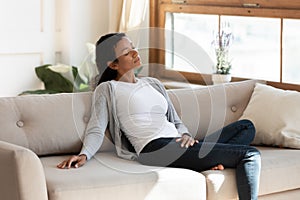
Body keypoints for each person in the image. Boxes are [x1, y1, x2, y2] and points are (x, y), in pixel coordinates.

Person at [57, 32, 261, 200]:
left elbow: (175, 121)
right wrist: (84, 154)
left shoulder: (152, 83)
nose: (135, 52)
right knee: (250, 154)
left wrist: (186, 135)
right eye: (127, 51)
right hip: (154, 148)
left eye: (133, 46)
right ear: (113, 64)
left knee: (246, 127)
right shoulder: (108, 89)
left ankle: (207, 160)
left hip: (178, 144)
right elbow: (96, 127)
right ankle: (208, 160)